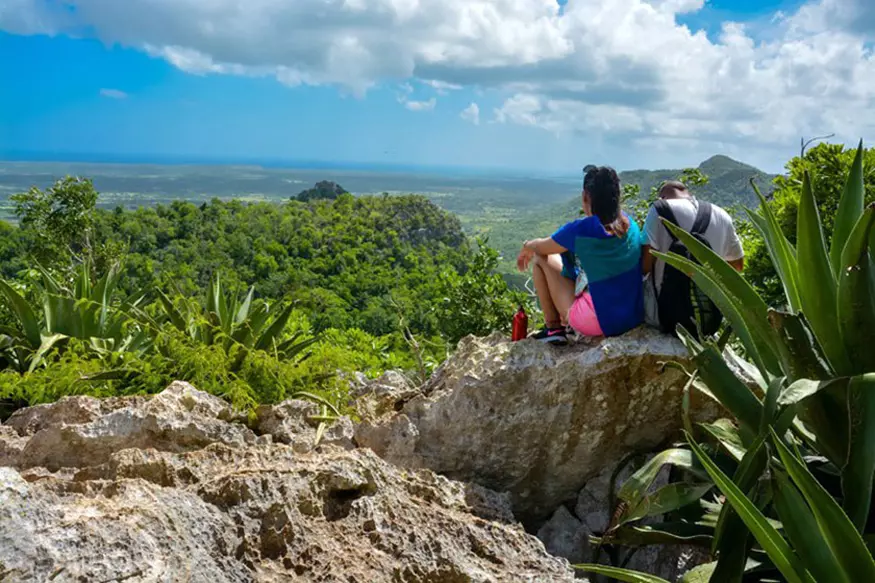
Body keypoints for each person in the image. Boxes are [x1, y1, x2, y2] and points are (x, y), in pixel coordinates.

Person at [517, 166, 645, 344]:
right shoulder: (631, 225)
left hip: (599, 321)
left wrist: (527, 246)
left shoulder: (581, 230)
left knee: (540, 259)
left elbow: (542, 248)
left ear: (585, 197)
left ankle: (553, 328)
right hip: (632, 315)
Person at [642, 180, 744, 335]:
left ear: (662, 197)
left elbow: (646, 267)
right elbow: (737, 266)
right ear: (689, 193)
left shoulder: (659, 209)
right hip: (710, 322)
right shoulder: (722, 214)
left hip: (666, 319)